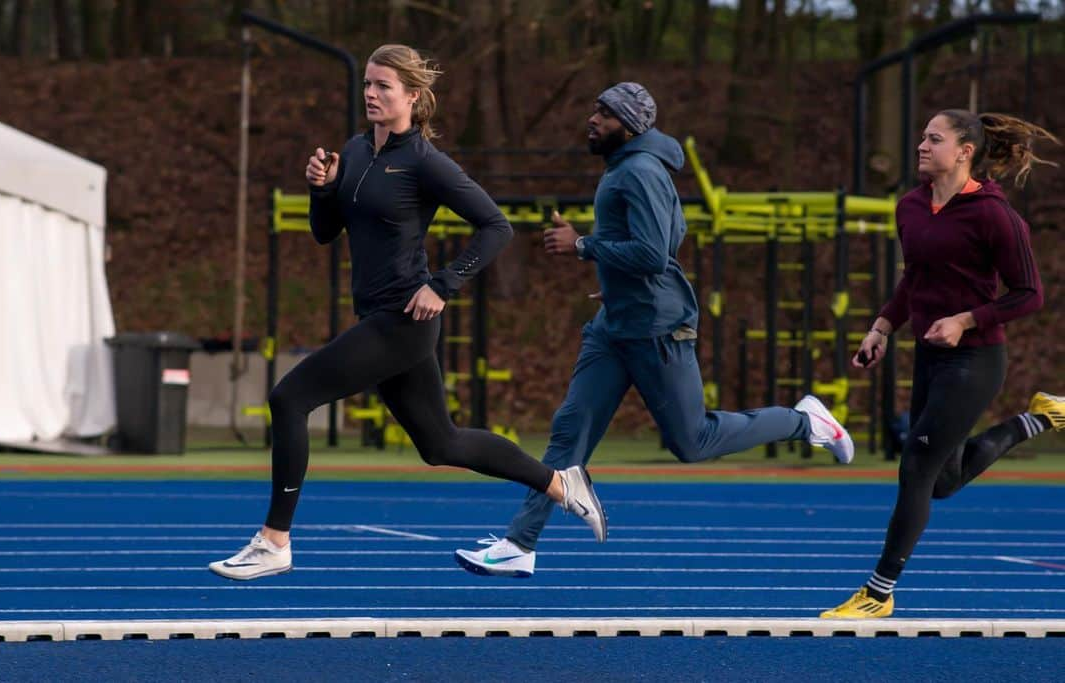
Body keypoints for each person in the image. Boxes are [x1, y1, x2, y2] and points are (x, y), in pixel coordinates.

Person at [210, 44, 605, 581]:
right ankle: (562, 484)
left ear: (412, 97)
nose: (371, 94)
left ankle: (275, 541)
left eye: (383, 87)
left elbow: (496, 227)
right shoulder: (353, 151)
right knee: (440, 443)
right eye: (368, 84)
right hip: (379, 316)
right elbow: (325, 233)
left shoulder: (424, 161)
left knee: (289, 398)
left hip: (403, 320)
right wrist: (320, 189)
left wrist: (442, 284)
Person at [455, 82, 855, 579]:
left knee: (694, 442)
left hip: (657, 331)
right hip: (614, 326)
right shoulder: (629, 168)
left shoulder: (639, 172)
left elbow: (653, 253)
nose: (592, 119)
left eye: (603, 113)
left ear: (629, 125)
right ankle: (521, 542)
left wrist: (584, 246)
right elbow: (673, 234)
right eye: (594, 109)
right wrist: (616, 284)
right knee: (570, 432)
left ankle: (806, 422)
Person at [821, 109, 1063, 618]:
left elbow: (1030, 295)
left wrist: (966, 320)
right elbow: (915, 280)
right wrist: (882, 327)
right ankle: (1040, 417)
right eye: (922, 138)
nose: (922, 147)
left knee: (915, 468)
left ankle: (878, 592)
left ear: (964, 151)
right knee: (944, 481)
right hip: (930, 360)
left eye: (934, 139)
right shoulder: (909, 206)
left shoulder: (994, 214)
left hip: (975, 361)